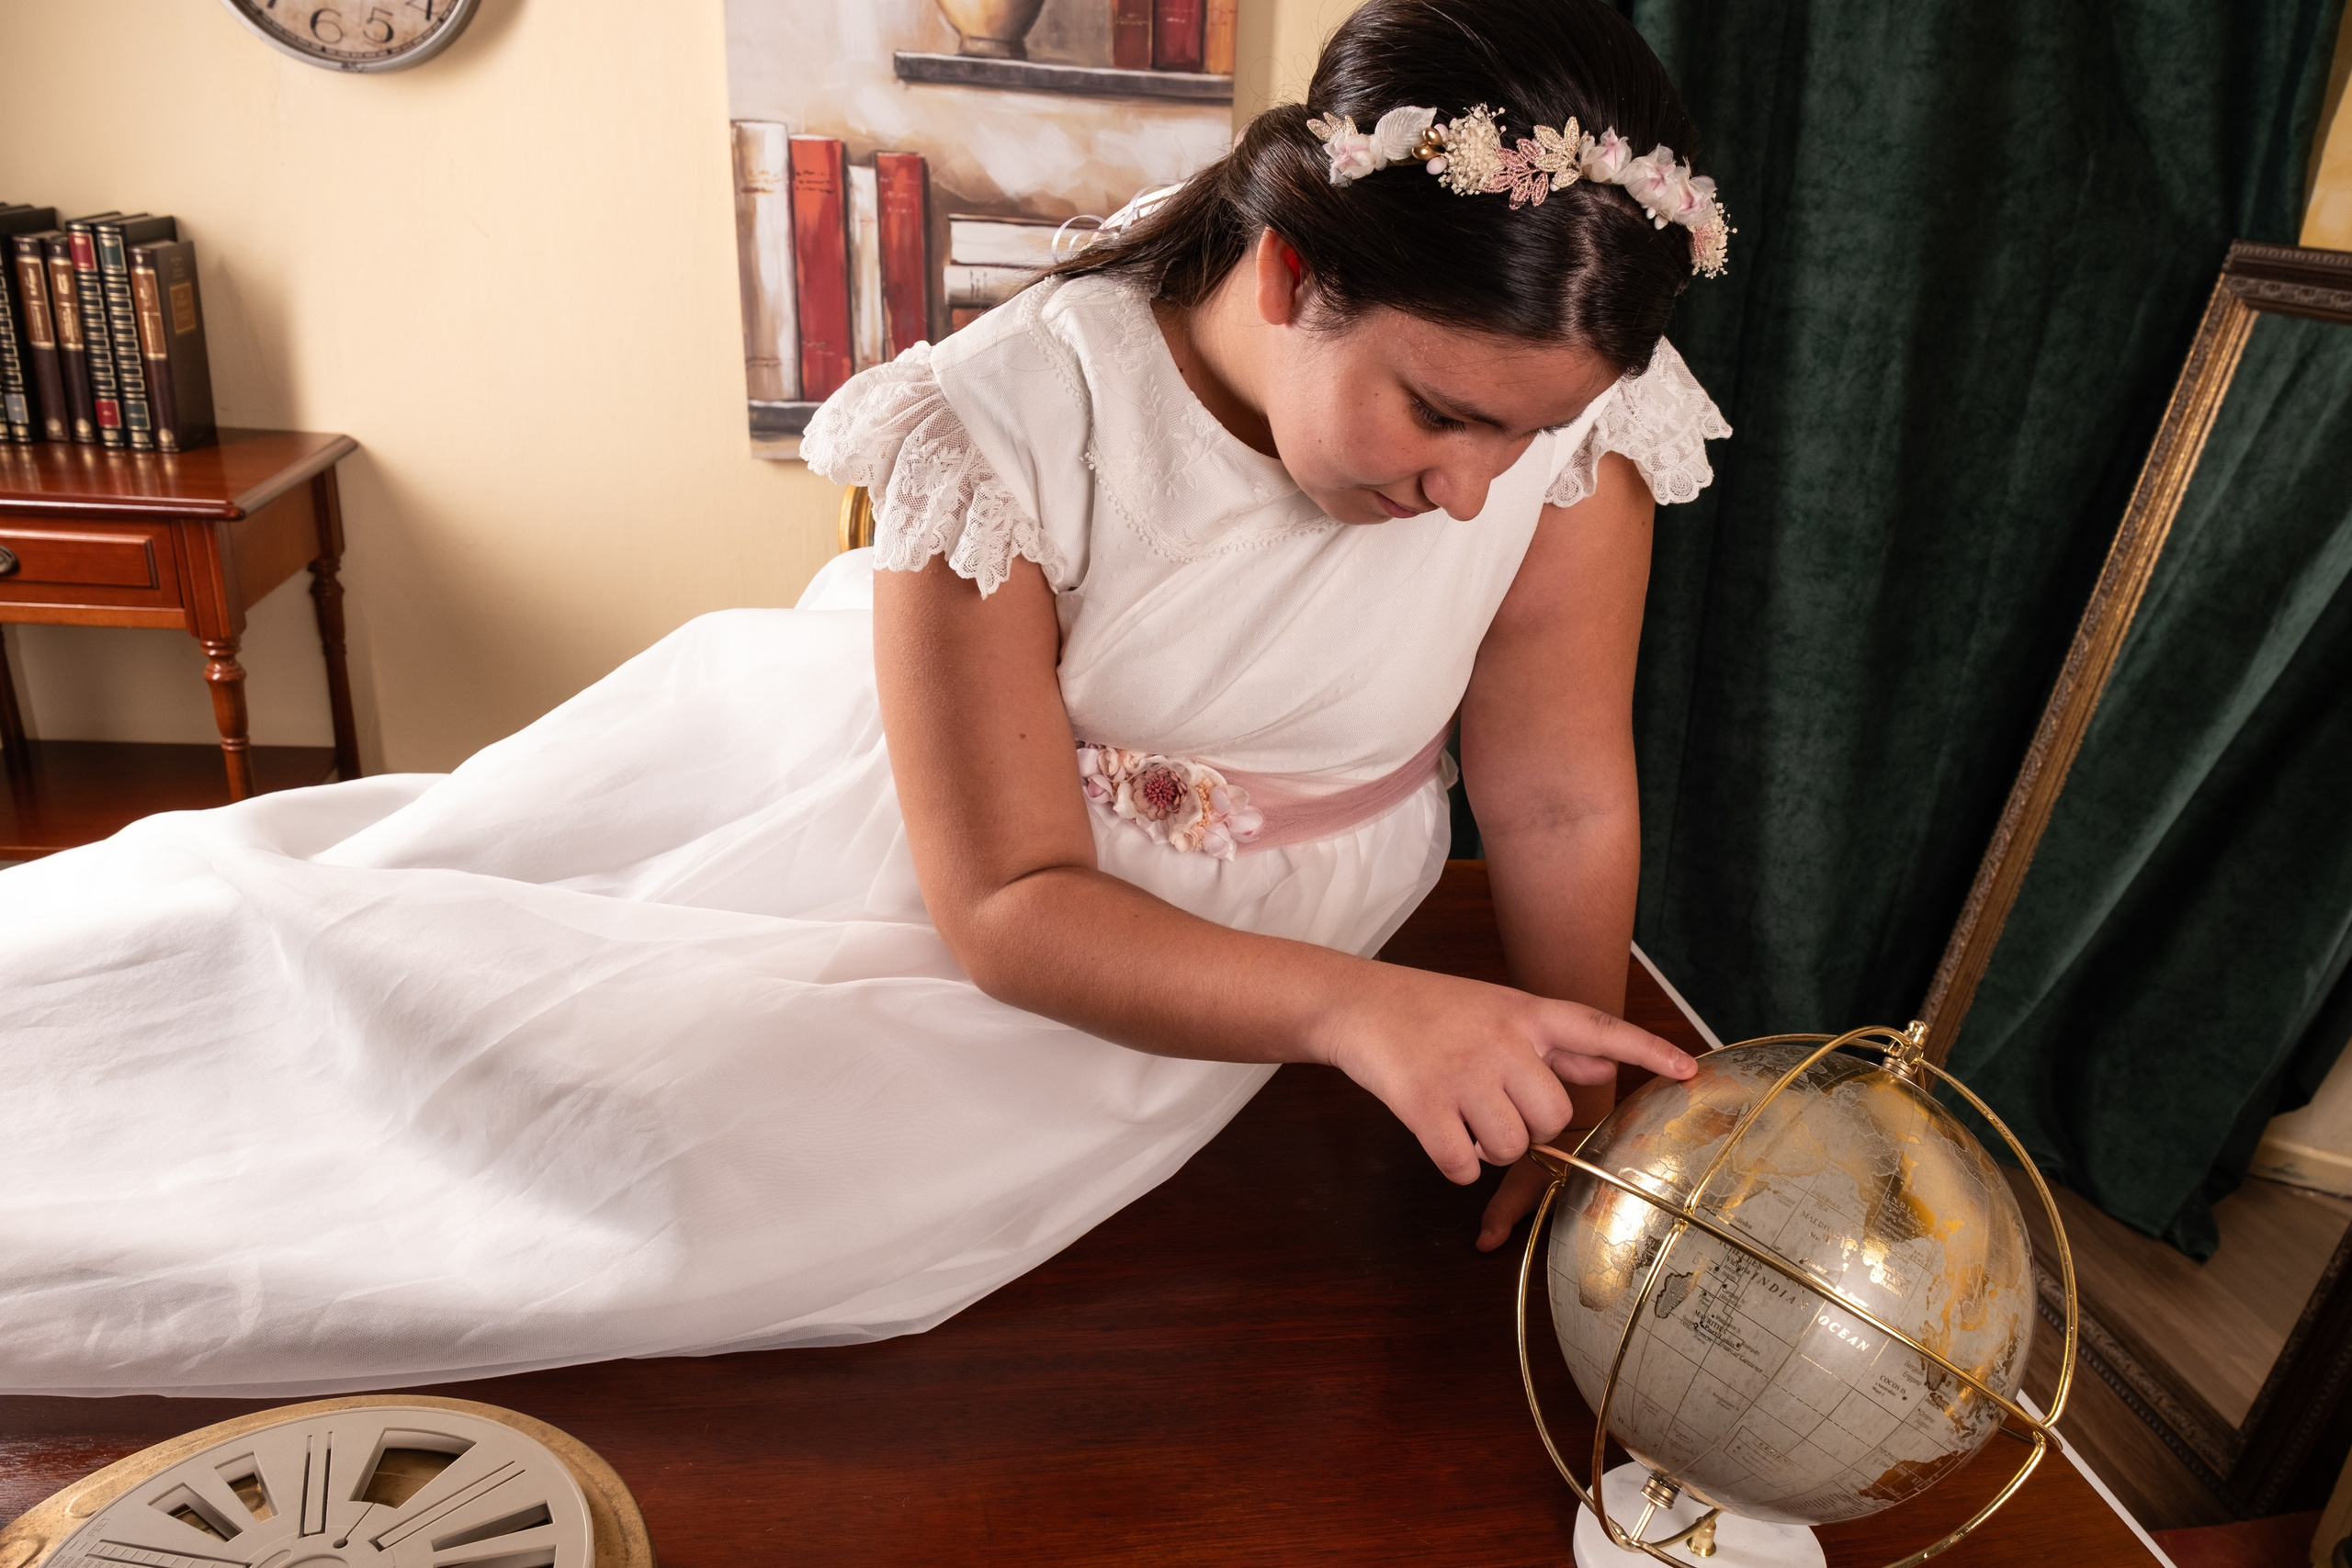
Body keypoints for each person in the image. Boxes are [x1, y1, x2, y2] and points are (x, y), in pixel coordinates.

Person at [0, 0, 1727, 1397]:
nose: (1475, 491)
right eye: (1437, 414)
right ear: (1288, 277)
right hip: (969, 863)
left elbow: (1562, 792)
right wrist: (1355, 1012)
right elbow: (1006, 906)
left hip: (1253, 943)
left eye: (1528, 432)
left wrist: (1577, 1091)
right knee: (564, 1122)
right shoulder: (1004, 420)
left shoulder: (1562, 428)